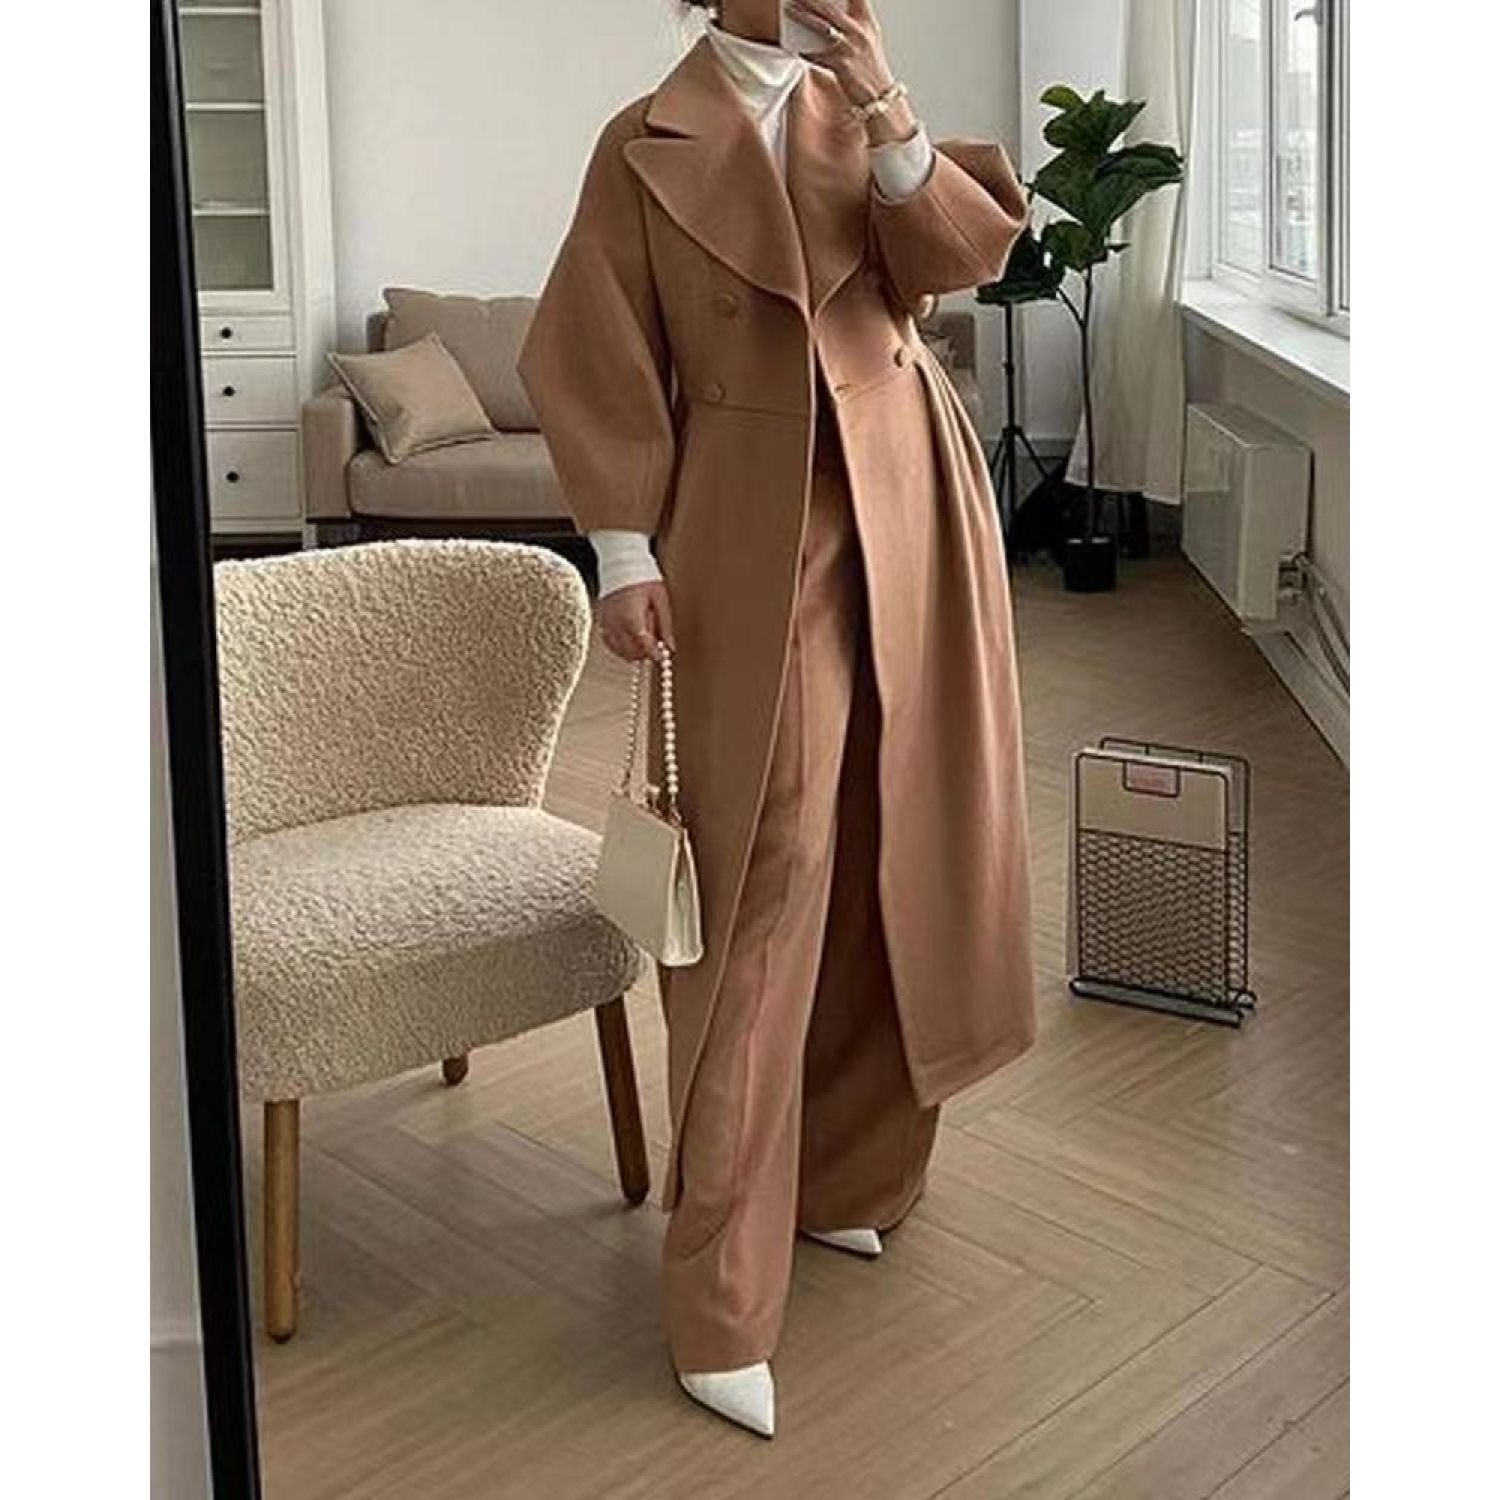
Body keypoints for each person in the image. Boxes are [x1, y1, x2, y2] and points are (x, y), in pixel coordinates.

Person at [517, 0, 1038, 1438]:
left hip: (912, 501)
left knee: (897, 839)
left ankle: (849, 1174)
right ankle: (722, 1293)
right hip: (753, 527)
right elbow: (594, 348)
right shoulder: (643, 143)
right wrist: (622, 552)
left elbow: (963, 262)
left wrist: (885, 102)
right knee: (767, 870)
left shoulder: (855, 109)